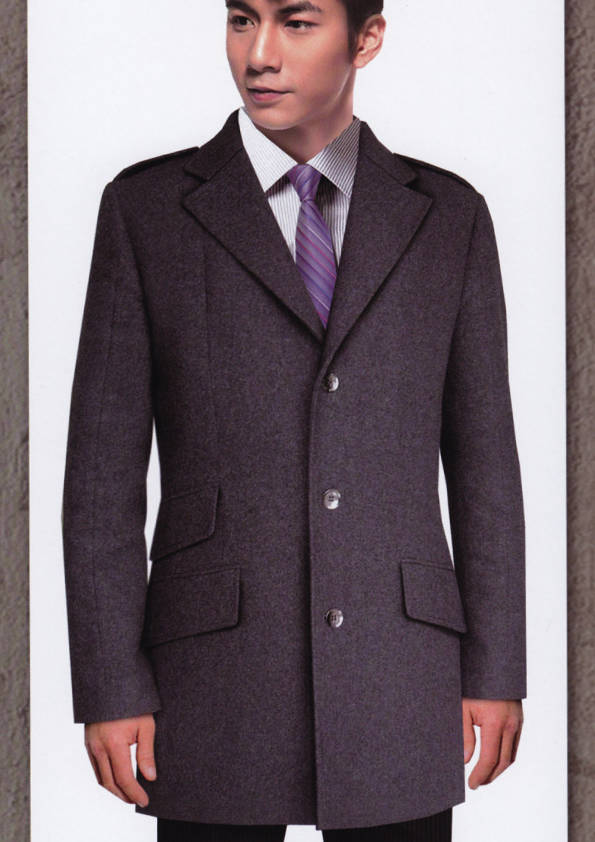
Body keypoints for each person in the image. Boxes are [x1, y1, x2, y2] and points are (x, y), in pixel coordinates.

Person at [61, 1, 526, 840]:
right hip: (212, 670)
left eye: (297, 22)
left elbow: (485, 464)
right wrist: (109, 682)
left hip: (399, 665)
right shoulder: (147, 210)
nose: (259, 54)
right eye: (242, 20)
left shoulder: (448, 216)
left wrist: (496, 669)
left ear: (366, 38)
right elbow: (101, 478)